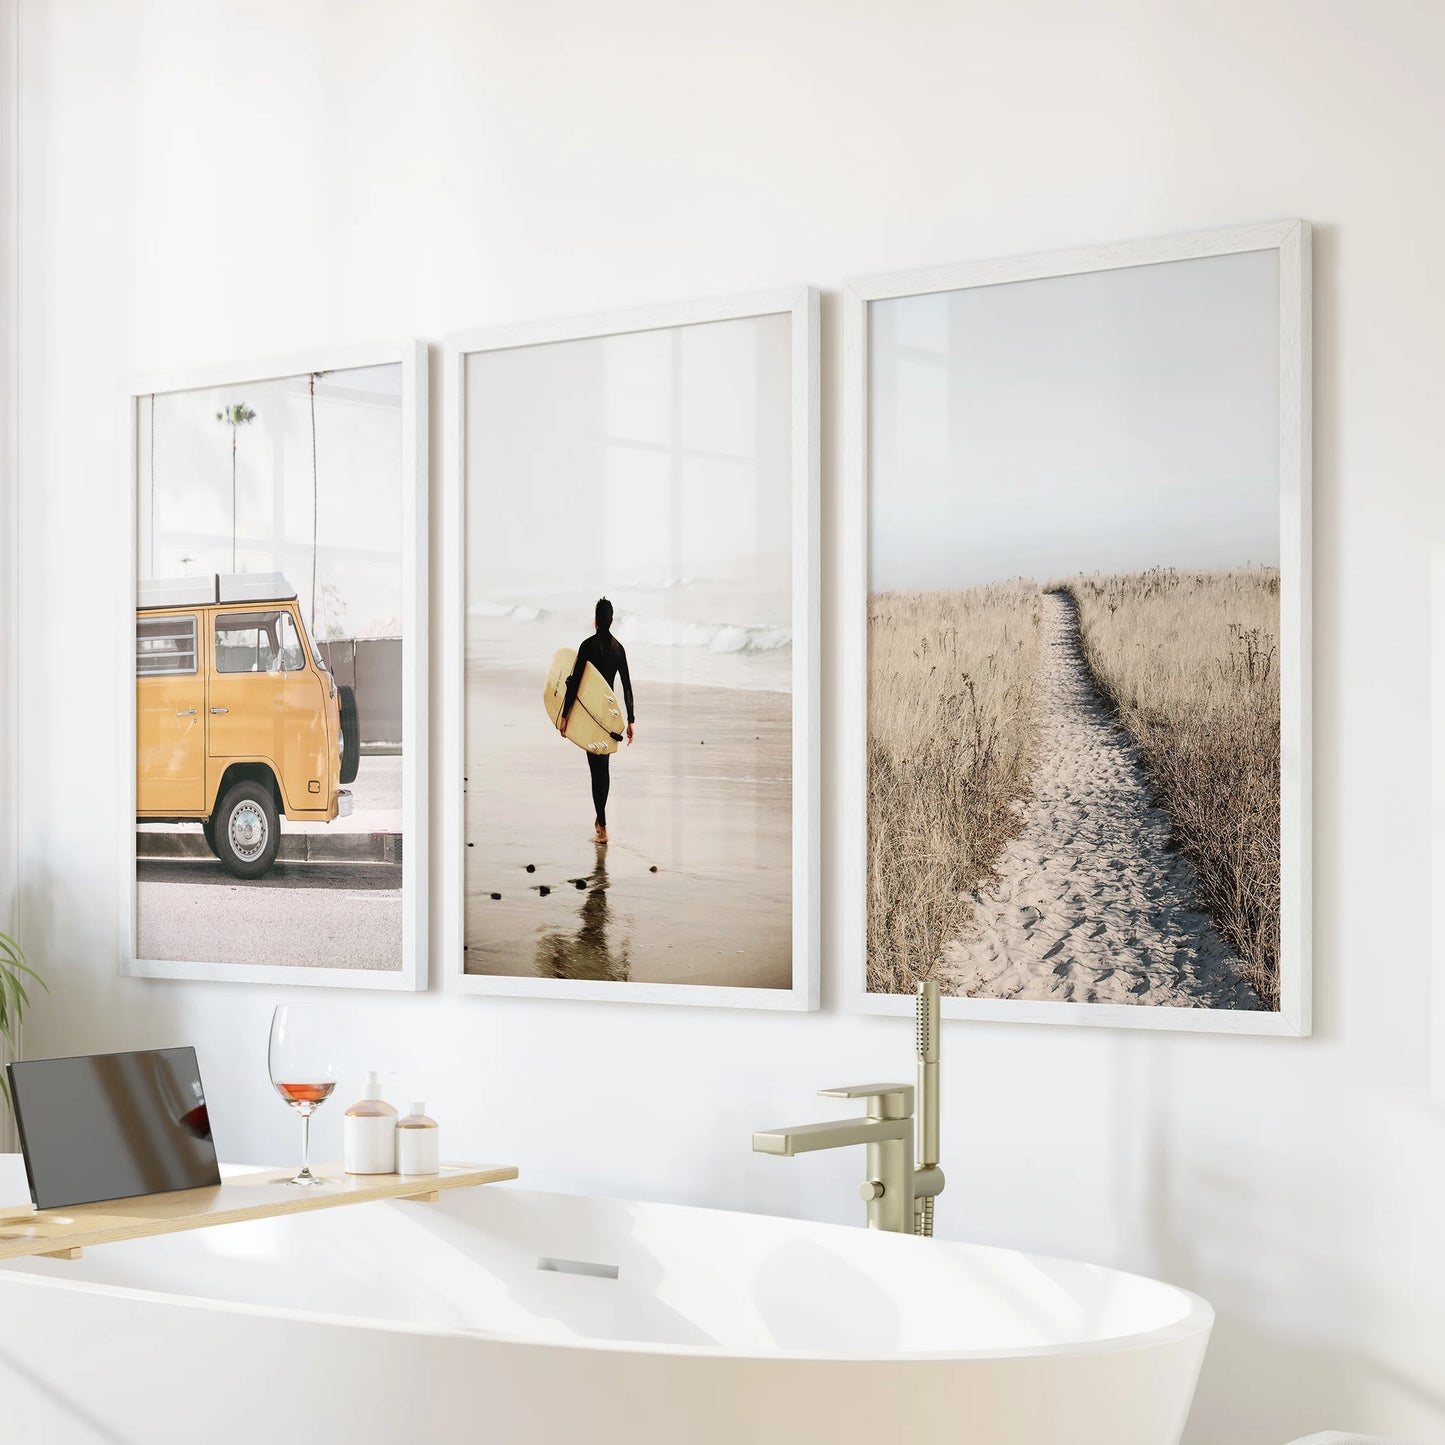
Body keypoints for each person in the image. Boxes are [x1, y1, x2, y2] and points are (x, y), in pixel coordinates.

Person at [560, 597, 635, 843]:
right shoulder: (618, 649)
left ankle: (602, 825)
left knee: (595, 771)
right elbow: (626, 687)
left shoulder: (587, 646)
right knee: (605, 769)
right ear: (611, 620)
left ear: (595, 620)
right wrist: (631, 720)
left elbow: (574, 682)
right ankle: (601, 822)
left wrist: (565, 716)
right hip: (608, 715)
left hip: (590, 716)